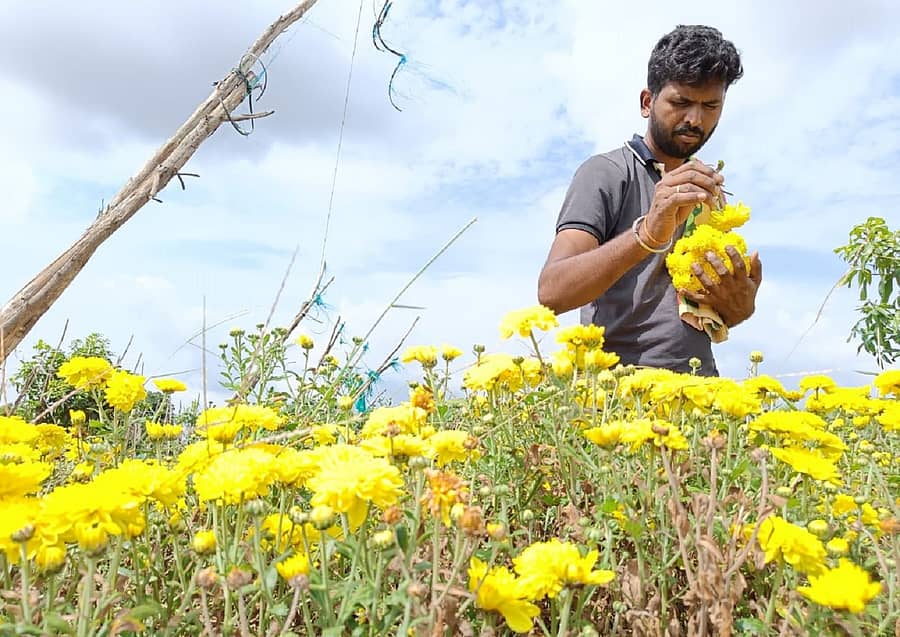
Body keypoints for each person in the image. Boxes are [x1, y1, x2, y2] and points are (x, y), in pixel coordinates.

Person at [537, 25, 762, 376]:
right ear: (647, 102)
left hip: (700, 397)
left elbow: (711, 313)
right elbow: (552, 291)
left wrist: (741, 304)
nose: (694, 119)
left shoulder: (707, 189)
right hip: (618, 399)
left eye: (710, 106)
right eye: (681, 102)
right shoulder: (607, 172)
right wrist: (647, 235)